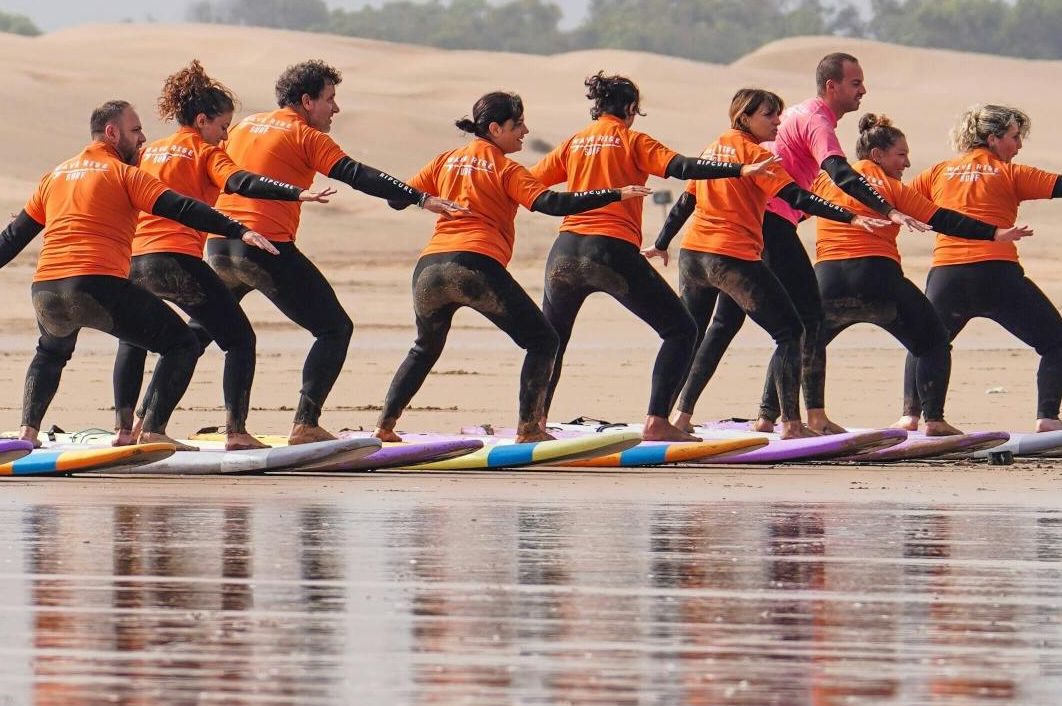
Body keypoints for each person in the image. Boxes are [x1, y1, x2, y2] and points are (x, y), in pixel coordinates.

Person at [0, 101, 283, 443]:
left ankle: (28, 431)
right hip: (95, 285)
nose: (142, 138)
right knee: (181, 344)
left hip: (45, 289)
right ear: (112, 133)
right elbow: (181, 207)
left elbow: (16, 233)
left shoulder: (55, 176)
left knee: (51, 352)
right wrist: (236, 228)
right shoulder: (124, 174)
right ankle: (152, 431)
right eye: (135, 130)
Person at [207, 59, 464, 442]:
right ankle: (305, 424)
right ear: (307, 101)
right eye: (330, 99)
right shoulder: (306, 136)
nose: (336, 108)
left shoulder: (244, 125)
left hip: (219, 245)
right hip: (264, 248)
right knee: (334, 328)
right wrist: (419, 197)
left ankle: (149, 422)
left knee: (199, 331)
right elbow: (358, 175)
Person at [650, 49, 895, 432]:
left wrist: (662, 242)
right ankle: (801, 418)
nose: (777, 122)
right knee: (802, 322)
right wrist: (853, 214)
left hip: (702, 250)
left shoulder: (716, 147)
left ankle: (675, 415)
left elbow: (687, 198)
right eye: (769, 115)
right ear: (745, 117)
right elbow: (798, 194)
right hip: (762, 234)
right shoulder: (771, 147)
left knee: (716, 326)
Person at [376, 93, 640, 441]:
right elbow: (552, 202)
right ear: (495, 128)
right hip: (474, 266)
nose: (525, 131)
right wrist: (615, 193)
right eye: (518, 125)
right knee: (544, 340)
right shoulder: (506, 168)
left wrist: (426, 201)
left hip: (429, 269)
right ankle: (529, 429)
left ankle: (383, 426)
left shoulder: (446, 160)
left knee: (425, 347)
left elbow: (397, 198)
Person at [528, 70, 774, 442]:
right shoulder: (632, 140)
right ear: (630, 108)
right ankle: (658, 421)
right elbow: (684, 168)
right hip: (609, 250)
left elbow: (529, 182)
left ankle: (533, 425)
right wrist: (740, 168)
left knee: (552, 339)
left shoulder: (574, 142)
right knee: (681, 329)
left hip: (563, 252)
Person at [904, 105, 1062, 427]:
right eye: (1014, 138)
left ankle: (917, 419)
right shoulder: (1010, 174)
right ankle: (1048, 418)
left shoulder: (936, 173)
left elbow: (894, 201)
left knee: (925, 343)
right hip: (996, 276)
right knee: (1057, 343)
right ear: (993, 138)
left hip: (947, 277)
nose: (1019, 146)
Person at [108, 61, 316, 449]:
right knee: (239, 341)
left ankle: (126, 430)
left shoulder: (145, 152)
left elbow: (108, 190)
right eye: (223, 128)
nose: (225, 137)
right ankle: (233, 432)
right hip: (177, 262)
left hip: (134, 262)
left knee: (133, 341)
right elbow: (242, 181)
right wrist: (293, 191)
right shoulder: (204, 151)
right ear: (202, 120)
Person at [813, 112, 1028, 434]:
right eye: (901, 155)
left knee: (799, 344)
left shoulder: (825, 180)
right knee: (932, 343)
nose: (907, 164)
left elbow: (793, 208)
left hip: (826, 277)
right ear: (877, 155)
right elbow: (943, 219)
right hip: (877, 275)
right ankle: (934, 421)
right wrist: (992, 233)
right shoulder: (891, 187)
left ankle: (774, 416)